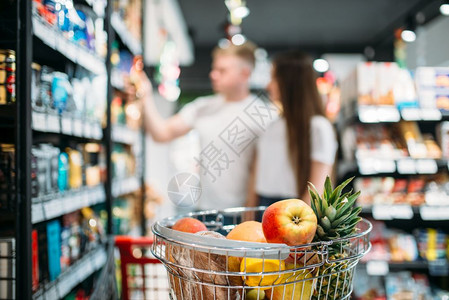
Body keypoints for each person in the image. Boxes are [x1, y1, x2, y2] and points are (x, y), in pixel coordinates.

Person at [137, 41, 274, 211]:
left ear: (245, 74)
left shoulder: (263, 115)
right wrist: (146, 96)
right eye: (214, 69)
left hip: (245, 213)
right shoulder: (202, 107)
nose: (213, 75)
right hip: (205, 210)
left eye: (222, 71)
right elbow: (161, 133)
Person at [251, 51, 338, 207]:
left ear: (290, 82)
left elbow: (316, 190)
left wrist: (299, 221)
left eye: (274, 78)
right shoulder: (272, 125)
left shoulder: (318, 126)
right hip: (264, 205)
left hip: (294, 209)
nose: (268, 85)